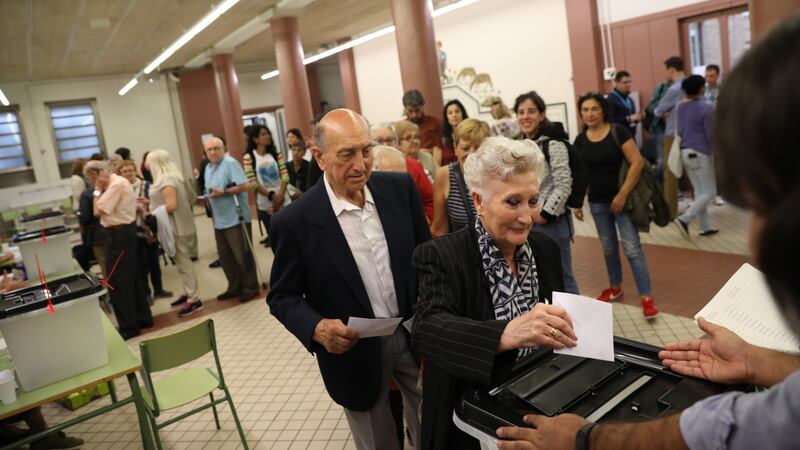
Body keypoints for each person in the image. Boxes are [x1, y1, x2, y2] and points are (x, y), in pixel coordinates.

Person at [494, 16, 800, 449]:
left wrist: (585, 441)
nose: (756, 245)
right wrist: (758, 361)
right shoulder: (579, 139)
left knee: (626, 250)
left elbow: (739, 428)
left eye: (767, 205)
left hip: (610, 205)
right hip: (597, 208)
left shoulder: (585, 140)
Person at [267, 109, 431, 450]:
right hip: (353, 348)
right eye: (346, 155)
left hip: (414, 334)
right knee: (377, 441)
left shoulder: (399, 190)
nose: (361, 165)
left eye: (366, 150)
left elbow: (427, 257)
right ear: (319, 156)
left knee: (434, 428)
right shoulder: (295, 222)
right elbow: (282, 296)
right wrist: (316, 328)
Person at [413, 136, 578, 449]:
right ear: (478, 201)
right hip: (471, 419)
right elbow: (428, 328)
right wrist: (506, 333)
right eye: (512, 202)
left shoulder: (544, 248)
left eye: (533, 201)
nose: (527, 217)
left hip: (537, 406)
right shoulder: (442, 255)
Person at [572, 93, 659, 318]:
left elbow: (637, 163)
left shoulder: (617, 131)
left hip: (624, 202)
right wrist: (578, 201)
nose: (589, 114)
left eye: (594, 109)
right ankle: (615, 286)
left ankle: (646, 297)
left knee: (632, 248)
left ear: (603, 111)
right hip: (598, 203)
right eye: (585, 110)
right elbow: (580, 173)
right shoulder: (580, 140)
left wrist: (621, 195)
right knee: (609, 247)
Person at [514, 91, 579, 294]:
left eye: (531, 111)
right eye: (521, 112)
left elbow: (563, 182)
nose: (525, 116)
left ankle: (577, 324)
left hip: (552, 224)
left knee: (562, 276)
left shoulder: (553, 143)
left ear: (542, 115)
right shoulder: (518, 145)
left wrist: (544, 214)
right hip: (527, 222)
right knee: (536, 277)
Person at [91, 161, 153, 340]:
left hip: (119, 235)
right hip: (123, 233)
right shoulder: (116, 183)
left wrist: (97, 189)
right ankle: (143, 318)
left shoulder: (116, 184)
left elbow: (98, 210)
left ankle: (129, 326)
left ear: (99, 174)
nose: (91, 182)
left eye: (91, 178)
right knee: (131, 278)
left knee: (117, 282)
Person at [144, 149, 204, 317]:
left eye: (148, 162)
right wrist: (150, 202)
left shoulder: (167, 179)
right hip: (173, 226)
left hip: (176, 228)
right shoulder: (170, 176)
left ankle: (194, 298)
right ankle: (187, 292)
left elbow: (171, 205)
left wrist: (151, 211)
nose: (147, 166)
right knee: (181, 263)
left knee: (184, 264)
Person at [203, 137, 260, 303]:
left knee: (242, 254)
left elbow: (245, 185)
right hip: (219, 218)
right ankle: (234, 286)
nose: (213, 152)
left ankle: (250, 287)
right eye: (209, 150)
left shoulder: (230, 163)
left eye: (216, 148)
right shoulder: (208, 167)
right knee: (225, 256)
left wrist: (225, 191)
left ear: (223, 148)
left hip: (236, 216)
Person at [117, 160, 172, 303]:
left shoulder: (146, 185)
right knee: (140, 264)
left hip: (148, 227)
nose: (128, 174)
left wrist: (147, 203)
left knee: (154, 260)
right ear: (120, 174)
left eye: (130, 170)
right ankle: (146, 294)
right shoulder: (120, 188)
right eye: (124, 172)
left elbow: (157, 202)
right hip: (132, 229)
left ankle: (159, 289)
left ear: (135, 170)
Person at [674, 75, 718, 239]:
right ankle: (685, 218)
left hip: (685, 152)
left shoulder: (679, 106)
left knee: (700, 192)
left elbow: (679, 129)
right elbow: (711, 134)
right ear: (701, 88)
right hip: (700, 153)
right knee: (710, 192)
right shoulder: (706, 108)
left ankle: (705, 227)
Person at [431, 118, 489, 236]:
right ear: (455, 148)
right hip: (461, 250)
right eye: (465, 148)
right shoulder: (444, 175)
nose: (471, 154)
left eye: (477, 148)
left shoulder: (496, 175)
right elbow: (439, 229)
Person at [243, 125, 289, 247]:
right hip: (265, 204)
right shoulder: (249, 157)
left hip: (283, 200)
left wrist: (280, 195)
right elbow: (253, 182)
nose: (267, 136)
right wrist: (271, 196)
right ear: (255, 139)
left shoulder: (275, 154)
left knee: (290, 236)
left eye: (268, 133)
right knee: (276, 241)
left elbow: (284, 175)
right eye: (263, 134)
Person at [654, 56, 688, 220]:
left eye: (665, 70)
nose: (665, 74)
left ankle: (670, 212)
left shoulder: (674, 89)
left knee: (671, 173)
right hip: (690, 133)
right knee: (693, 171)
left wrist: (664, 112)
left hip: (673, 134)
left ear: (671, 70)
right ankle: (698, 210)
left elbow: (658, 110)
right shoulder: (692, 84)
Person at [79, 160, 109, 276]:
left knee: (106, 266)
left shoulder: (87, 194)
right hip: (117, 233)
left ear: (92, 173)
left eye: (87, 176)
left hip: (98, 236)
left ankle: (113, 293)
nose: (88, 179)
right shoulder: (113, 187)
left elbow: (85, 218)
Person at [644, 77, 672, 178]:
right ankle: (661, 187)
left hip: (678, 128)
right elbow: (651, 107)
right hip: (661, 128)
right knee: (662, 161)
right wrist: (661, 112)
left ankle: (675, 188)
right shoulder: (661, 88)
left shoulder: (683, 87)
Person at [402, 89, 442, 156]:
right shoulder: (402, 127)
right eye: (410, 111)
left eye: (417, 110)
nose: (414, 115)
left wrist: (427, 152)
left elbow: (442, 149)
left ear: (423, 107)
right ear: (405, 109)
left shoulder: (435, 123)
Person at [608, 70, 644, 137]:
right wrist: (629, 118)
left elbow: (632, 119)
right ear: (616, 83)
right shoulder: (610, 100)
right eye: (625, 82)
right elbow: (610, 120)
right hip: (618, 138)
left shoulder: (630, 99)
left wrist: (638, 117)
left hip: (631, 135)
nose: (628, 85)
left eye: (629, 82)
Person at [439, 99, 468, 165]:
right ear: (446, 117)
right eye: (450, 113)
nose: (454, 115)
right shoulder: (441, 137)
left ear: (463, 114)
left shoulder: (471, 134)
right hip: (448, 173)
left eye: (457, 111)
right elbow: (436, 165)